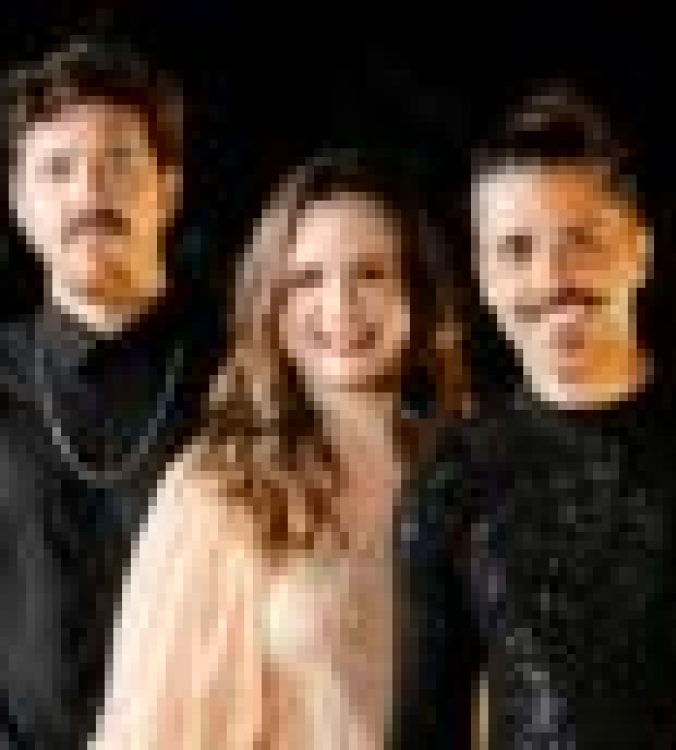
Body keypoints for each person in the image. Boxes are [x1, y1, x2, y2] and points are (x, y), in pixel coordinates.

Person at [392, 81, 676, 748]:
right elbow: (423, 729)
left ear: (640, 251)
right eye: (516, 249)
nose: (552, 279)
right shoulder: (456, 478)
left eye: (581, 240)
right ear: (484, 278)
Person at [92, 151, 465, 748]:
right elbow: (153, 730)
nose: (340, 305)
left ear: (415, 293)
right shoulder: (216, 491)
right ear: (271, 301)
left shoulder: (470, 471)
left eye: (370, 273)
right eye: (308, 279)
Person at [0, 35, 218, 747]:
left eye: (118, 162)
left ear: (169, 188)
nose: (89, 193)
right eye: (57, 169)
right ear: (19, 203)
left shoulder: (246, 379)